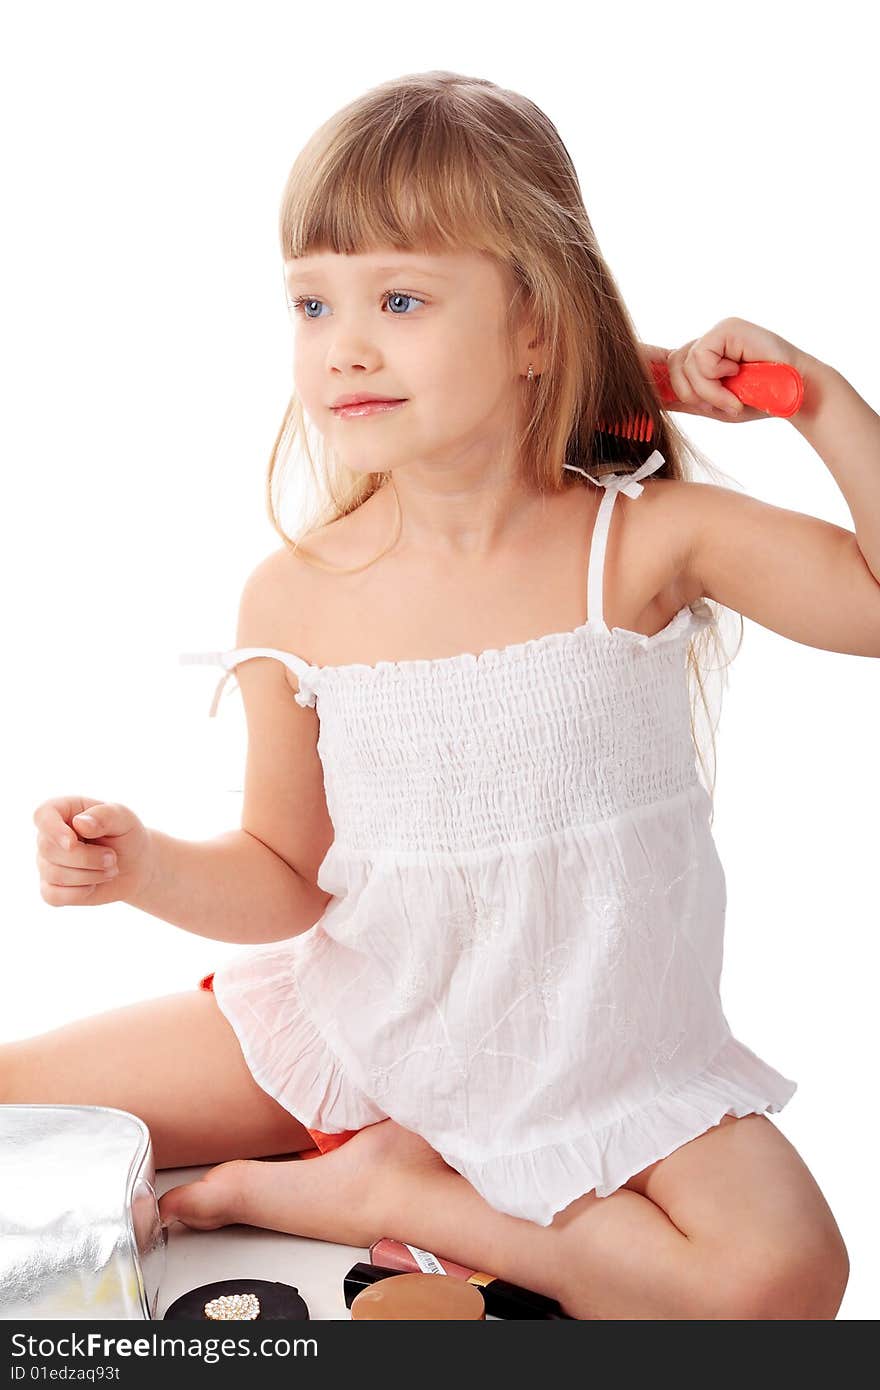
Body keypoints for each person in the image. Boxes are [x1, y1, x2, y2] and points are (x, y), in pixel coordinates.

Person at [18, 69, 873, 1319]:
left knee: (780, 1281)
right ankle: (385, 1151)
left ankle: (410, 1196)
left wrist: (819, 402)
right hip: (357, 1026)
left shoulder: (640, 546)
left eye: (401, 298)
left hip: (601, 1073)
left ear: (536, 326)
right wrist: (143, 865)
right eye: (312, 303)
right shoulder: (298, 594)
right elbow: (281, 870)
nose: (343, 345)